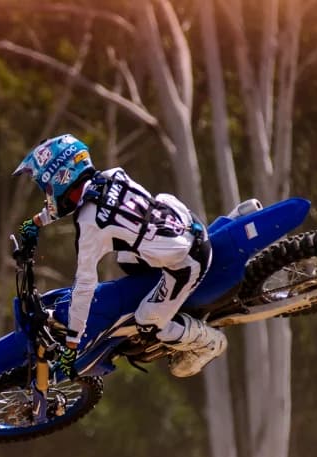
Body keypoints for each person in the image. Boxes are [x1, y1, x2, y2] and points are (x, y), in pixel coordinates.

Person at [12, 133, 227, 379]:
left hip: (188, 259)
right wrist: (37, 221)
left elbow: (84, 286)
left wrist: (72, 344)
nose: (47, 194)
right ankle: (164, 295)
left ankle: (208, 342)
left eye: (47, 187)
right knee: (124, 258)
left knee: (146, 322)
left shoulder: (90, 225)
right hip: (183, 220)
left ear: (63, 178)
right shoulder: (111, 175)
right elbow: (79, 198)